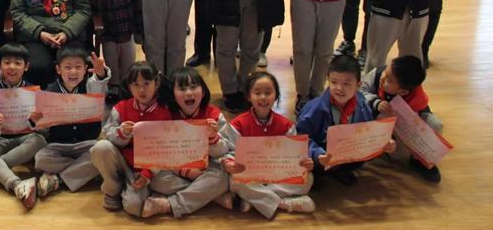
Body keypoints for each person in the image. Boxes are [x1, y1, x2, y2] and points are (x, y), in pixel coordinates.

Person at [140, 67, 233, 219]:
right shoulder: (167, 116)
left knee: (221, 178)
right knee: (156, 180)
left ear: (203, 91)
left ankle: (169, 204)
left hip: (206, 169)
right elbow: (163, 153)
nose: (189, 93)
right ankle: (212, 195)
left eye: (194, 87)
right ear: (173, 94)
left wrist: (212, 138)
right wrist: (184, 171)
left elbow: (224, 150)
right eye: (182, 89)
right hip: (177, 169)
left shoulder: (214, 115)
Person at [223, 72, 316, 217]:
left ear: (276, 95)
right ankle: (283, 204)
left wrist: (304, 163)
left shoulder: (286, 125)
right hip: (250, 176)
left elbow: (294, 158)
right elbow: (229, 152)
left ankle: (253, 199)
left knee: (308, 178)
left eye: (268, 93)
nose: (263, 97)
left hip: (277, 176)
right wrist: (230, 164)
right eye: (257, 93)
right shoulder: (237, 125)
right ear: (249, 96)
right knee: (234, 180)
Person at [296, 55, 396, 186]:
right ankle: (320, 173)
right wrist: (317, 154)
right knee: (310, 164)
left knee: (359, 159)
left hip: (348, 152)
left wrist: (383, 141)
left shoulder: (362, 105)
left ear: (358, 85)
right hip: (322, 154)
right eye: (334, 82)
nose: (339, 88)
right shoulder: (315, 109)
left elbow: (369, 130)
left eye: (346, 84)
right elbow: (301, 137)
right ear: (328, 80)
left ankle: (341, 171)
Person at [90, 61, 172, 216]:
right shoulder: (121, 107)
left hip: (143, 169)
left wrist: (148, 172)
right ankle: (113, 189)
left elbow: (166, 150)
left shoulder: (165, 113)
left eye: (146, 83)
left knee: (134, 207)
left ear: (157, 83)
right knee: (101, 147)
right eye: (135, 84)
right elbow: (107, 133)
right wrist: (121, 133)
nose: (141, 89)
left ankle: (127, 187)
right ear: (129, 86)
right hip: (121, 161)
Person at [0, 43, 47, 210]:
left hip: (25, 138)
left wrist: (35, 121)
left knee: (39, 141)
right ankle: (16, 183)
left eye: (17, 63)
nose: (12, 67)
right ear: (0, 65)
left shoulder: (34, 91)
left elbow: (44, 128)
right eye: (7, 62)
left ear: (26, 66)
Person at [32, 47, 110, 198]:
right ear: (58, 69)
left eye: (78, 67)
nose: (73, 72)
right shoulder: (49, 92)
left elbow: (99, 84)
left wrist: (101, 74)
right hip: (58, 146)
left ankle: (58, 179)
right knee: (40, 159)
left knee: (102, 151)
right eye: (67, 67)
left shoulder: (90, 87)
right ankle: (85, 171)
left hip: (86, 144)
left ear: (85, 69)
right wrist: (36, 121)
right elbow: (43, 130)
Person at [360, 54, 444, 182]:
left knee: (435, 125)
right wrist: (375, 102)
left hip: (406, 124)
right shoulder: (377, 74)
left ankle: (424, 161)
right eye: (386, 72)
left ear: (403, 92)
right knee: (398, 157)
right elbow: (359, 91)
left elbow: (420, 114)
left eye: (389, 80)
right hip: (377, 118)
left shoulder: (417, 98)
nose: (383, 78)